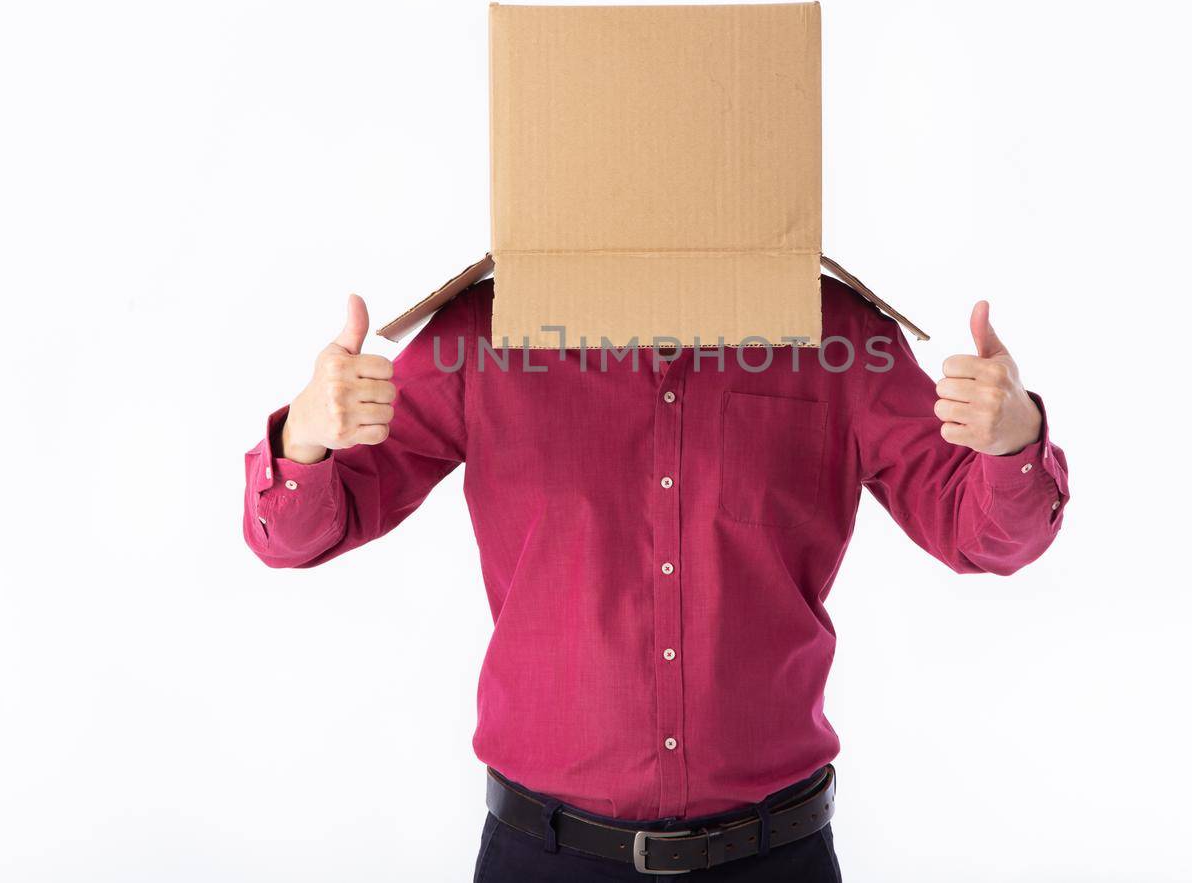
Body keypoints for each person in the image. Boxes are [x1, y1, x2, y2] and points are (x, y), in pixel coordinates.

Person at [242, 277, 1070, 880]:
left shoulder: (836, 336)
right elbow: (302, 532)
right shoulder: (484, 335)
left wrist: (1013, 440)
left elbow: (979, 532)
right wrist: (307, 434)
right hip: (547, 857)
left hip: (771, 854)